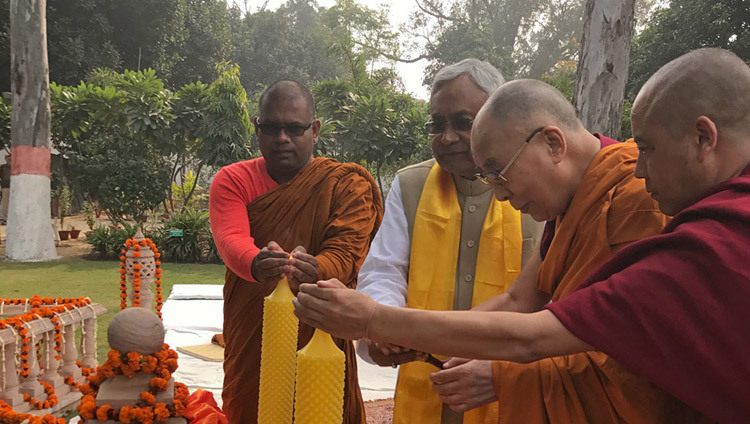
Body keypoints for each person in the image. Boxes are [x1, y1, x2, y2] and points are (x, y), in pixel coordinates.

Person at [291, 48, 750, 423]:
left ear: (553, 143)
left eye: (499, 173)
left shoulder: (636, 197)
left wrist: (374, 320)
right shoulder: (571, 205)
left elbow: (583, 347)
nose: (502, 196)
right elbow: (517, 302)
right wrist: (420, 340)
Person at [356, 58, 544, 424]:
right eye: (437, 124)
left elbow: (549, 296)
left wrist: (500, 369)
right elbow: (385, 270)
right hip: (424, 380)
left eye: (462, 122)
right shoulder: (411, 185)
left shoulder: (534, 189)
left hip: (508, 385)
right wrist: (385, 325)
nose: (447, 137)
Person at [209, 80, 383, 424]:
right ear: (257, 129)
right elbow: (231, 238)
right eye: (271, 128)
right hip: (253, 323)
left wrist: (316, 267)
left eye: (295, 128)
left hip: (321, 320)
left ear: (314, 130)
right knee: (250, 403)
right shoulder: (232, 180)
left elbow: (347, 253)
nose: (282, 138)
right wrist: (256, 262)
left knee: (323, 406)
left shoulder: (346, 184)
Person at [0, 153, 10, 225]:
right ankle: (5, 218)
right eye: (8, 158)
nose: (9, 159)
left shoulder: (16, 167)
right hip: (5, 187)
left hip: (15, 188)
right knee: (5, 203)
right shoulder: (2, 167)